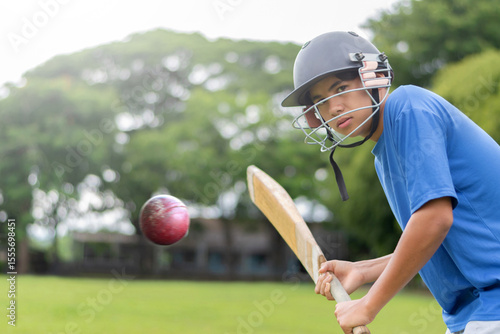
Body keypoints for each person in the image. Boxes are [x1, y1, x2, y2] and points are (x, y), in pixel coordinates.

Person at [280, 31, 500, 334]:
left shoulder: (408, 107)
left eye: (340, 88)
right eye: (320, 101)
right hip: (473, 312)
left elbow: (434, 220)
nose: (334, 108)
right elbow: (433, 241)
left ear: (374, 77)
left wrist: (368, 306)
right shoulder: (383, 156)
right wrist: (363, 269)